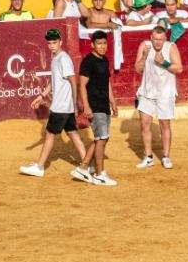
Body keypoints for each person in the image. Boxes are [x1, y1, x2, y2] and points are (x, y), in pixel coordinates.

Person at [19, 29, 93, 180]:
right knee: (72, 133)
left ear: (61, 42)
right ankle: (87, 165)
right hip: (65, 106)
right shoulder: (55, 57)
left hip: (61, 106)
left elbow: (73, 80)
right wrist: (42, 96)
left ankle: (39, 167)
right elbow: (54, 82)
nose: (51, 45)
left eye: (54, 42)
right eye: (49, 43)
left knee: (50, 134)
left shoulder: (63, 59)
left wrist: (74, 104)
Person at [135, 21, 180, 165]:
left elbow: (179, 68)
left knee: (164, 124)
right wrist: (144, 56)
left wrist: (164, 63)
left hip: (165, 92)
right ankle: (148, 157)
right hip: (147, 91)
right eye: (155, 39)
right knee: (144, 124)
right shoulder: (145, 46)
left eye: (160, 39)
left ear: (165, 38)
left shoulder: (171, 47)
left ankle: (166, 156)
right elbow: (138, 68)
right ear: (151, 37)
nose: (157, 42)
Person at [77, 29, 118, 185]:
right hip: (94, 105)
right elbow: (82, 85)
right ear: (92, 45)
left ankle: (84, 167)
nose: (102, 46)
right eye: (99, 43)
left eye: (104, 43)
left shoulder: (105, 60)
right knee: (101, 139)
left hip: (104, 104)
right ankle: (100, 174)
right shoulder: (88, 61)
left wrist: (112, 101)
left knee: (102, 138)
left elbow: (107, 82)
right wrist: (86, 107)